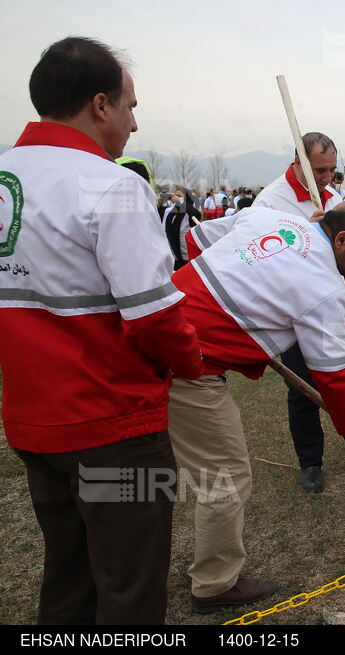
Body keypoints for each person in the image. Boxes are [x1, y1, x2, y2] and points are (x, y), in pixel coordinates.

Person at [0, 36, 204, 624]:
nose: (134, 124)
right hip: (113, 423)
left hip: (34, 419)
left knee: (68, 576)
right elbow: (155, 315)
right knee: (130, 587)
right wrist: (192, 365)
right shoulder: (110, 185)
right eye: (130, 107)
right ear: (99, 105)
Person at [172, 201, 345, 614]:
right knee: (226, 477)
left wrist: (241, 292)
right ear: (341, 239)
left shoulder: (272, 218)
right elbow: (332, 374)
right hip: (185, 366)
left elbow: (196, 240)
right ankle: (213, 585)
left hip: (158, 327)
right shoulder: (323, 286)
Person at [238, 132, 345, 492]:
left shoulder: (335, 198)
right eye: (319, 170)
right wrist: (307, 231)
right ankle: (310, 462)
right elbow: (260, 259)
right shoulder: (269, 201)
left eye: (331, 169)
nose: (326, 177)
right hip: (292, 314)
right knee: (305, 388)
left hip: (333, 306)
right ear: (298, 162)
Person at [163, 187, 202, 270]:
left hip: (186, 257)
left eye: (179, 195)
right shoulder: (169, 212)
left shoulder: (189, 214)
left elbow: (196, 214)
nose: (176, 198)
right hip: (173, 255)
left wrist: (181, 202)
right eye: (175, 195)